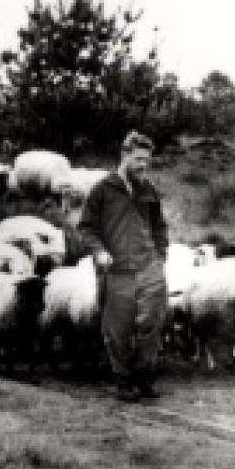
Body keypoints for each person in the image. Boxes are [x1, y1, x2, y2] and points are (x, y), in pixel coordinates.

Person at [75, 131, 169, 402]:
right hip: (117, 271)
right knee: (118, 330)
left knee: (151, 324)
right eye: (139, 160)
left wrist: (161, 254)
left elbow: (159, 226)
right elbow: (86, 229)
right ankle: (124, 381)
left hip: (149, 267)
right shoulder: (103, 190)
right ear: (124, 155)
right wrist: (99, 252)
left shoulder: (148, 190)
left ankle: (145, 378)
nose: (143, 166)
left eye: (147, 161)